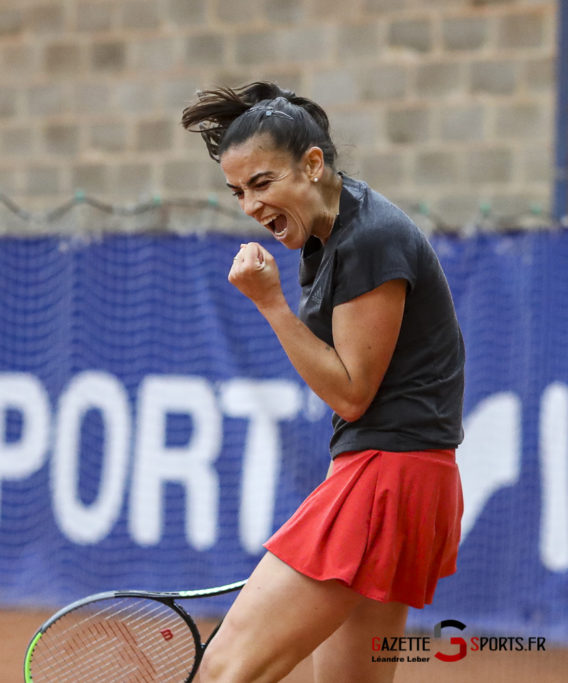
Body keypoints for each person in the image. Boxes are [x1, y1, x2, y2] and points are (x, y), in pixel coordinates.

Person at [180, 82, 465, 682]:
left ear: (312, 164)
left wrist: (272, 306)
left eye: (262, 183)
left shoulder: (368, 238)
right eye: (238, 192)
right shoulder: (333, 230)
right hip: (406, 478)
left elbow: (352, 393)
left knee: (223, 673)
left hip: (387, 479)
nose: (251, 206)